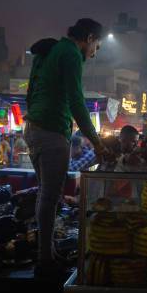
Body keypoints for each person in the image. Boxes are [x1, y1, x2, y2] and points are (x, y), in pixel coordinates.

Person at [25, 18, 107, 278]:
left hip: (35, 129)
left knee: (45, 195)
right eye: (97, 46)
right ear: (90, 38)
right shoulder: (71, 54)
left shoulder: (50, 51)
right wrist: (96, 141)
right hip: (51, 131)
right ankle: (44, 260)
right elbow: (76, 101)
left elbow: (31, 91)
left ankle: (46, 251)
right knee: (50, 197)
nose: (95, 53)